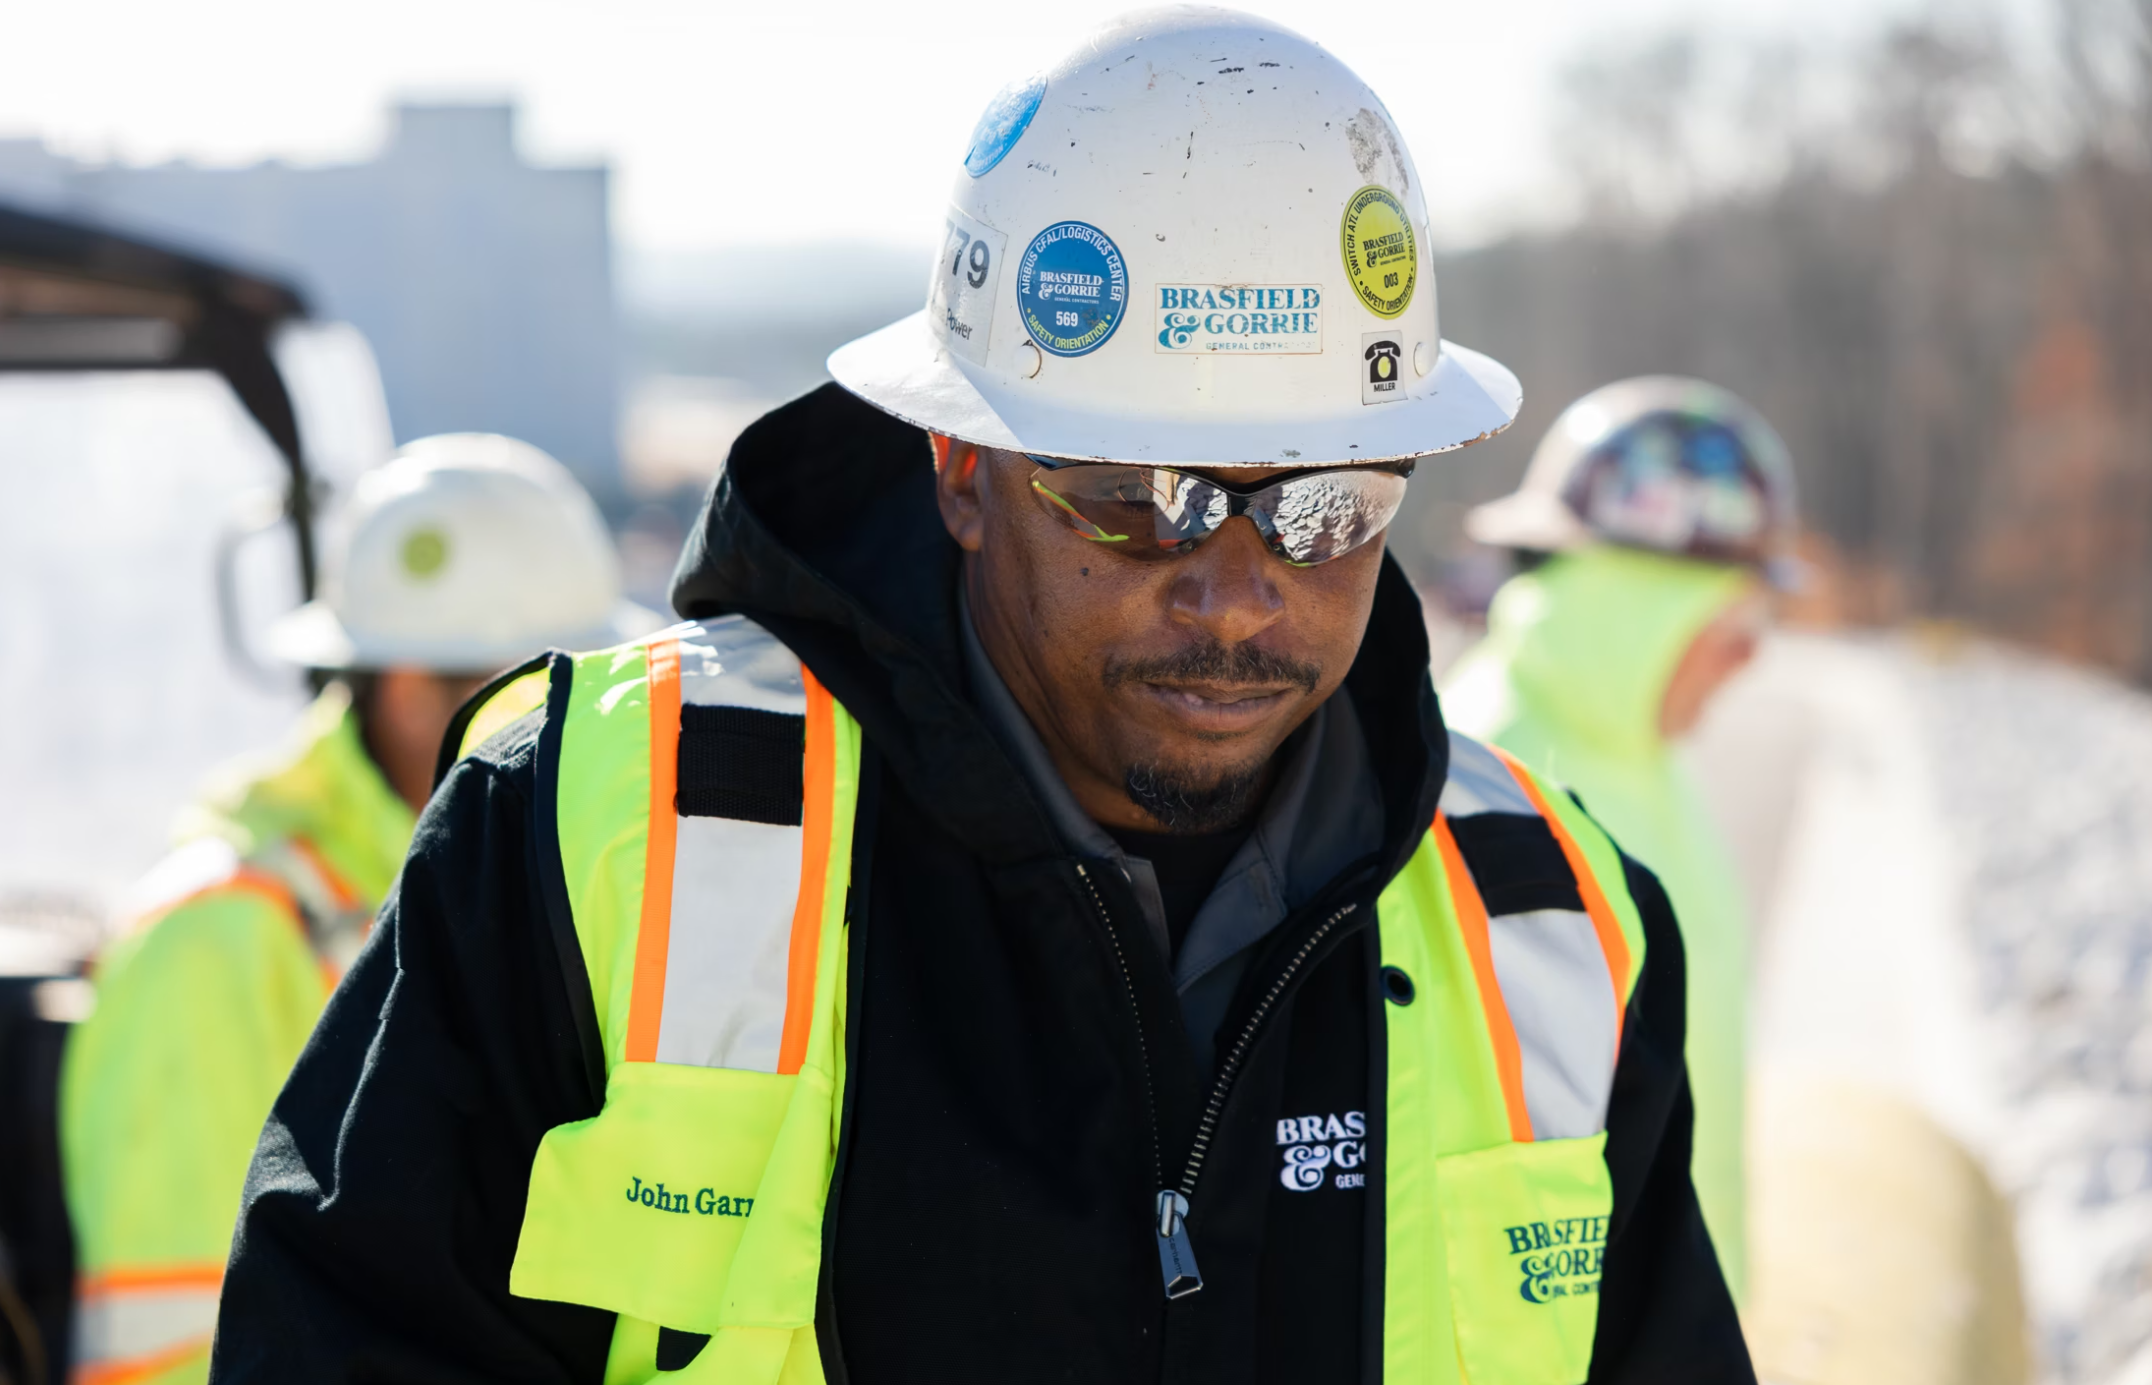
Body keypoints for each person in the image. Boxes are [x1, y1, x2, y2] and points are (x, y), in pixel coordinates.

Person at [211, 13, 1750, 1383]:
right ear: (961, 472)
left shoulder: (1555, 929)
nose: (1234, 593)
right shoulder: (598, 839)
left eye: (1328, 505)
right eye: (1141, 501)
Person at [60, 433, 656, 1385]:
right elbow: (173, 1340)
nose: (593, 741)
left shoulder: (511, 895)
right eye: (553, 700)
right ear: (416, 688)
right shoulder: (218, 936)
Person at [1442, 376, 1802, 1300]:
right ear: (1636, 609)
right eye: (1739, 614)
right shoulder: (1489, 785)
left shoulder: (1643, 757)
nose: (1753, 653)